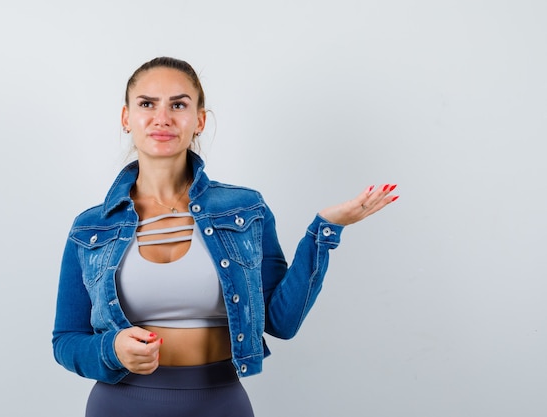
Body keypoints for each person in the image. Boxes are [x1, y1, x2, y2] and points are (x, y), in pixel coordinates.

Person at [52, 56, 399, 417]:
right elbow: (66, 339)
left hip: (219, 403)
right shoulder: (91, 227)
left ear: (199, 120)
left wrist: (324, 230)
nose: (162, 117)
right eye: (146, 104)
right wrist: (111, 350)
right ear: (126, 118)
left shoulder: (245, 209)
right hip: (121, 403)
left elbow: (281, 322)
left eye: (179, 104)